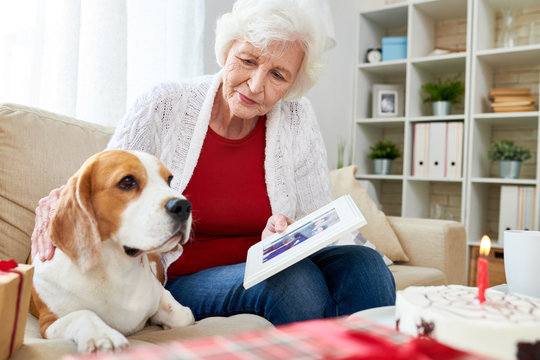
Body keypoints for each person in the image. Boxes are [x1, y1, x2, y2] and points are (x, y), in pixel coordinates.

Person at [31, 0, 396, 326]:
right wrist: (56, 205)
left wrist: (287, 233)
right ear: (226, 52)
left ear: (293, 85)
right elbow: (107, 179)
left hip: (268, 260)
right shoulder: (164, 104)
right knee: (295, 283)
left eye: (277, 75)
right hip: (188, 274)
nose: (255, 85)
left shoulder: (298, 118)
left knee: (366, 267)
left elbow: (315, 220)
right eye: (248, 61)